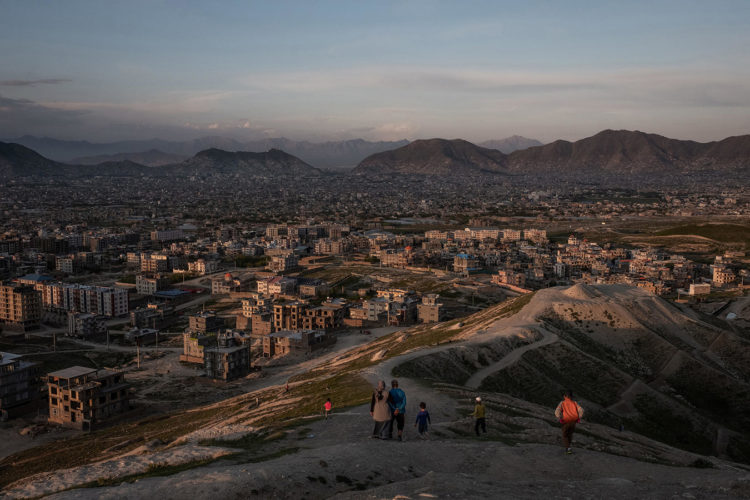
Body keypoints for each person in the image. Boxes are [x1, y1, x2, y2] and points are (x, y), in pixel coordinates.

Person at [554, 389, 584, 454]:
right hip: (574, 421)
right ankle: (569, 447)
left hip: (566, 421)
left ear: (564, 396)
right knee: (570, 434)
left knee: (565, 435)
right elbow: (581, 410)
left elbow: (557, 412)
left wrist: (559, 418)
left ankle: (568, 449)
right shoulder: (574, 403)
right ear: (571, 396)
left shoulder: (562, 403)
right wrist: (579, 417)